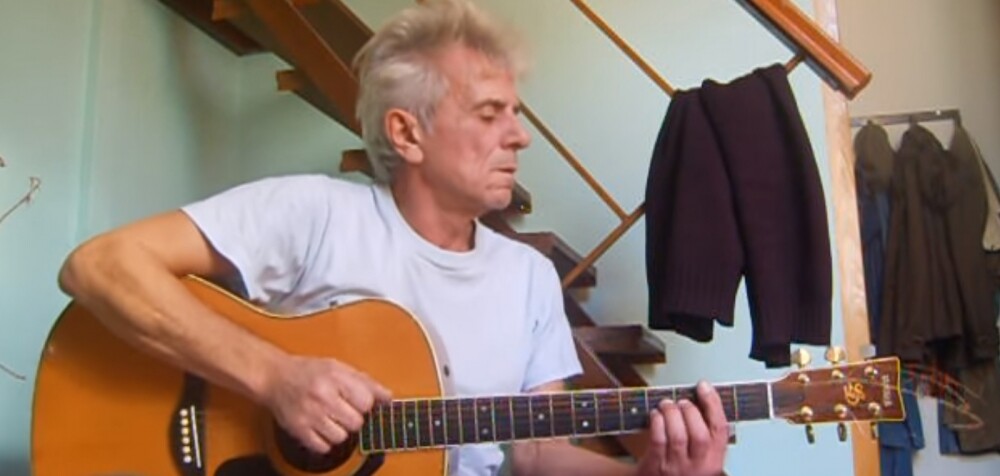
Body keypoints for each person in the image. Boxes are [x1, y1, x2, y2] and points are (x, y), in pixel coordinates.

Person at [57, 0, 729, 474]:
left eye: (517, 114)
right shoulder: (316, 213)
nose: (521, 136)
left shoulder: (528, 276)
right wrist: (275, 377)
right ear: (407, 133)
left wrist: (649, 475)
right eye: (490, 113)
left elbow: (536, 452)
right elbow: (99, 265)